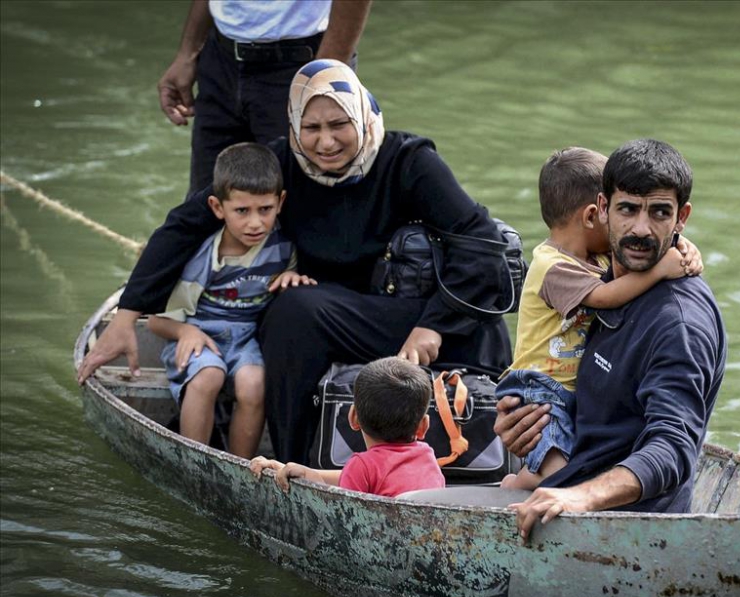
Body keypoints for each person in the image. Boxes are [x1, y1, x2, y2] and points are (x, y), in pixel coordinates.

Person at [78, 60, 514, 467]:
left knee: (480, 328)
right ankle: (294, 465)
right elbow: (184, 226)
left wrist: (433, 325)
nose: (326, 142)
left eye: (339, 124)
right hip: (331, 317)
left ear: (362, 116)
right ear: (293, 126)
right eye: (312, 127)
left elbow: (481, 244)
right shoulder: (284, 162)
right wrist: (128, 315)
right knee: (289, 310)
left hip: (413, 317)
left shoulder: (408, 162)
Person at [493, 139, 727, 542]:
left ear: (681, 218)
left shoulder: (679, 323)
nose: (640, 229)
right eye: (627, 209)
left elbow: (672, 448)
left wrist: (581, 497)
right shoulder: (598, 280)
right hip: (567, 486)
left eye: (659, 213)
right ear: (601, 210)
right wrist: (519, 427)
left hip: (627, 529)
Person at [147, 142, 315, 458]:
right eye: (242, 211)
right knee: (209, 375)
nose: (255, 223)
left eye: (264, 209)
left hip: (246, 338)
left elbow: (290, 280)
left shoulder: (282, 248)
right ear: (217, 207)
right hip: (199, 334)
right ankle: (193, 461)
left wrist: (292, 280)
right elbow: (158, 321)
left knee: (255, 383)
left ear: (280, 203)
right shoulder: (203, 256)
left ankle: (238, 468)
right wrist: (186, 332)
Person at [158, 0, 372, 195]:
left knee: (306, 209)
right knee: (208, 203)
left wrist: (323, 75)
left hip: (302, 62)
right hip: (220, 57)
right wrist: (188, 52)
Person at [248, 357, 445, 497]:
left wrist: (311, 483)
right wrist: (305, 473)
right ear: (423, 426)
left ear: (353, 418)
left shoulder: (362, 465)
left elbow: (341, 512)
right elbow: (359, 477)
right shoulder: (427, 456)